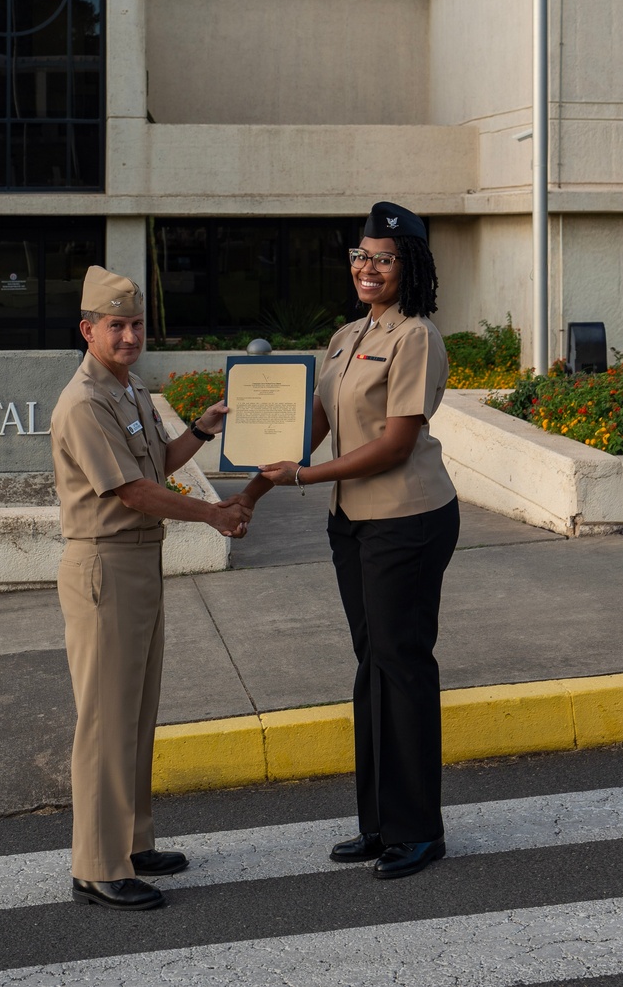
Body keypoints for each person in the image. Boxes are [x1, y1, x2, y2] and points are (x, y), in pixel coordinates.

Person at [238, 202, 459, 881]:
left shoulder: (415, 336)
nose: (367, 268)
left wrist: (302, 474)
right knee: (373, 666)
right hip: (353, 521)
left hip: (407, 519)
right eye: (360, 256)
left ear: (410, 266)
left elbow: (393, 446)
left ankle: (419, 830)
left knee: (403, 665)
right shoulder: (346, 334)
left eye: (383, 258)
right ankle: (378, 824)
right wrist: (248, 487)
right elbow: (315, 421)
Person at [50, 265, 249, 911]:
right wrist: (213, 515)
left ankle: (131, 843)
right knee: (105, 720)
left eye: (136, 325)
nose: (130, 335)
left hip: (138, 564)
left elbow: (155, 464)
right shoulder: (83, 402)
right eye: (117, 326)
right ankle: (97, 865)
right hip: (105, 564)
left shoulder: (126, 392)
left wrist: (201, 429)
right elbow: (132, 492)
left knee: (134, 714)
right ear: (88, 329)